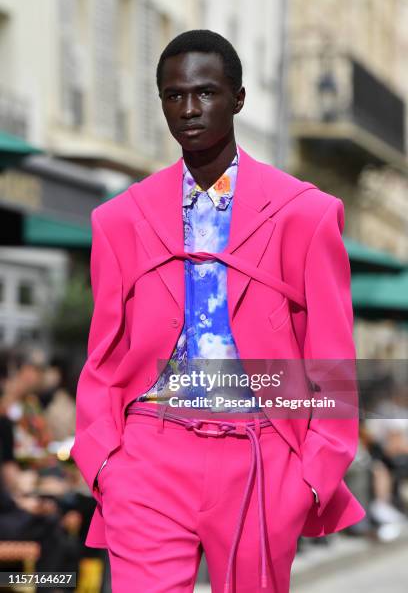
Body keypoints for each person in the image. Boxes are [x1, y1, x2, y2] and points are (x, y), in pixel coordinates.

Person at [70, 29, 366, 592]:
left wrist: (310, 475)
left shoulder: (304, 213)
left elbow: (330, 353)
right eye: (173, 95)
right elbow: (104, 356)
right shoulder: (119, 219)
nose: (188, 109)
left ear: (238, 98)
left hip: (260, 456)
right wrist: (105, 462)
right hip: (147, 456)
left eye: (205, 93)